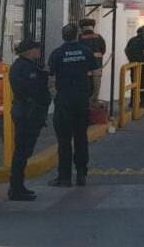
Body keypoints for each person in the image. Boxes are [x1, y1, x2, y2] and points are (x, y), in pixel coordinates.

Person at [48, 24, 98, 187]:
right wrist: (94, 96)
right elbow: (94, 74)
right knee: (81, 137)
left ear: (63, 36)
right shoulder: (86, 52)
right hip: (81, 99)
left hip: (64, 100)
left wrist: (55, 94)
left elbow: (51, 78)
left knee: (64, 140)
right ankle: (81, 173)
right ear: (77, 35)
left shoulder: (57, 54)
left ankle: (64, 177)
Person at [8, 40, 51, 201]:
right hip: (27, 113)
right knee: (22, 151)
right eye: (35, 49)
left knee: (24, 151)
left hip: (28, 112)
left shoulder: (25, 66)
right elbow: (32, 89)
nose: (38, 51)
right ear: (28, 51)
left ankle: (18, 186)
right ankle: (16, 188)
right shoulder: (23, 67)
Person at [79, 18, 106, 104]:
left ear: (82, 27)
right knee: (95, 91)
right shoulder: (99, 37)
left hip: (84, 69)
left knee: (84, 91)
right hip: (97, 68)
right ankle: (93, 107)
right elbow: (103, 50)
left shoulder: (79, 38)